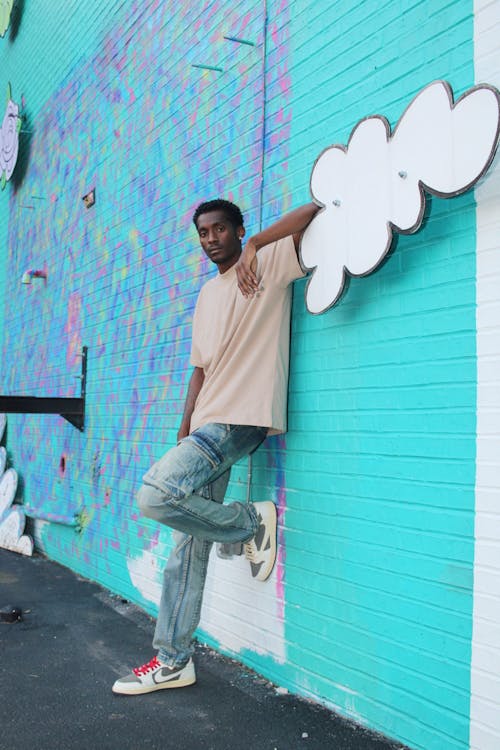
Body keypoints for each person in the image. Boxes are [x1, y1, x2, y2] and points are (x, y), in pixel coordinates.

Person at [112, 198, 319, 695]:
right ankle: (174, 660)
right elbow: (200, 368)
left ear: (238, 229)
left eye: (220, 229)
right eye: (203, 233)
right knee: (187, 547)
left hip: (239, 420)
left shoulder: (266, 261)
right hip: (207, 425)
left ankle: (251, 522)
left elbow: (314, 210)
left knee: (154, 495)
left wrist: (256, 244)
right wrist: (184, 427)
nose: (210, 240)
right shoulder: (207, 294)